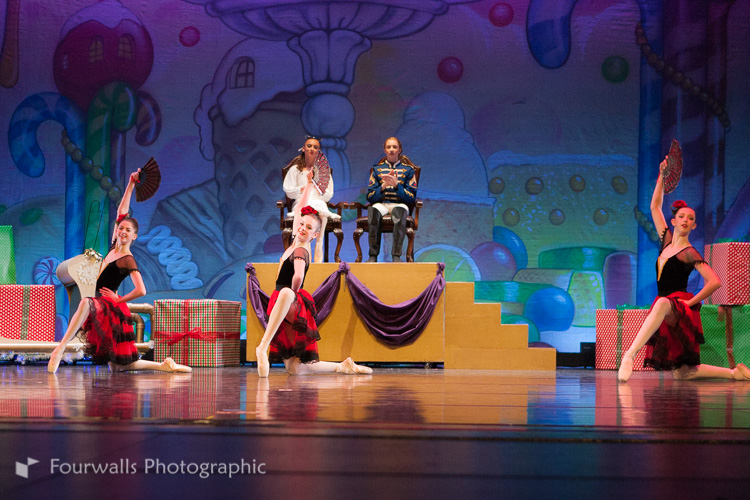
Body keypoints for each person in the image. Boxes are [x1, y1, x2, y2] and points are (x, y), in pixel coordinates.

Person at [617, 156, 750, 382]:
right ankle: (733, 373)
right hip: (665, 305)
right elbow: (654, 206)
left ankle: (629, 355)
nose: (686, 220)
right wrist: (662, 176)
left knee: (661, 303)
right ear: (674, 221)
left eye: (690, 218)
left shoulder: (689, 252)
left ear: (694, 225)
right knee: (682, 373)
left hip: (678, 305)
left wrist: (690, 303)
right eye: (681, 217)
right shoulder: (666, 242)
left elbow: (714, 281)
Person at [48, 169, 191, 374]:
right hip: (103, 305)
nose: (122, 231)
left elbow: (141, 290)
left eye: (127, 230)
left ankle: (60, 348)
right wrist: (131, 184)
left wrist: (118, 300)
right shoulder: (113, 248)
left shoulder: (127, 259)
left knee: (85, 302)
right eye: (121, 228)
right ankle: (163, 366)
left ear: (134, 236)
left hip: (109, 306)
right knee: (118, 366)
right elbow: (121, 212)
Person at [255, 195, 371, 377]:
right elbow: (299, 211)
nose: (302, 228)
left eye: (308, 228)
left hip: (289, 300)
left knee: (285, 292)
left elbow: (298, 275)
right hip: (282, 302)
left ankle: (262, 346)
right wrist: (308, 186)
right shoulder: (295, 242)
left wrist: (292, 294)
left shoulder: (301, 249)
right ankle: (342, 367)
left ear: (315, 234)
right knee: (295, 368)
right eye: (301, 224)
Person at [283, 136, 340, 263]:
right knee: (310, 209)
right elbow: (288, 190)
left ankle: (319, 244)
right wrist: (303, 189)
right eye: (309, 146)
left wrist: (316, 190)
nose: (312, 149)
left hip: (318, 202)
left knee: (320, 208)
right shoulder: (295, 170)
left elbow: (328, 194)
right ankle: (305, 249)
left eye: (315, 147)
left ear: (319, 151)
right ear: (303, 148)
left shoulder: (324, 171)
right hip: (301, 202)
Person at [366, 137, 418, 262]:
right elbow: (370, 197)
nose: (391, 150)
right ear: (384, 150)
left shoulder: (408, 170)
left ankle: (396, 256)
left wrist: (396, 186)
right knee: (373, 210)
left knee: (399, 212)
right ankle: (373, 256)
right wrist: (383, 186)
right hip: (382, 204)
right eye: (388, 147)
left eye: (394, 147)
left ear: (399, 150)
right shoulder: (377, 170)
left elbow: (411, 197)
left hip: (400, 204)